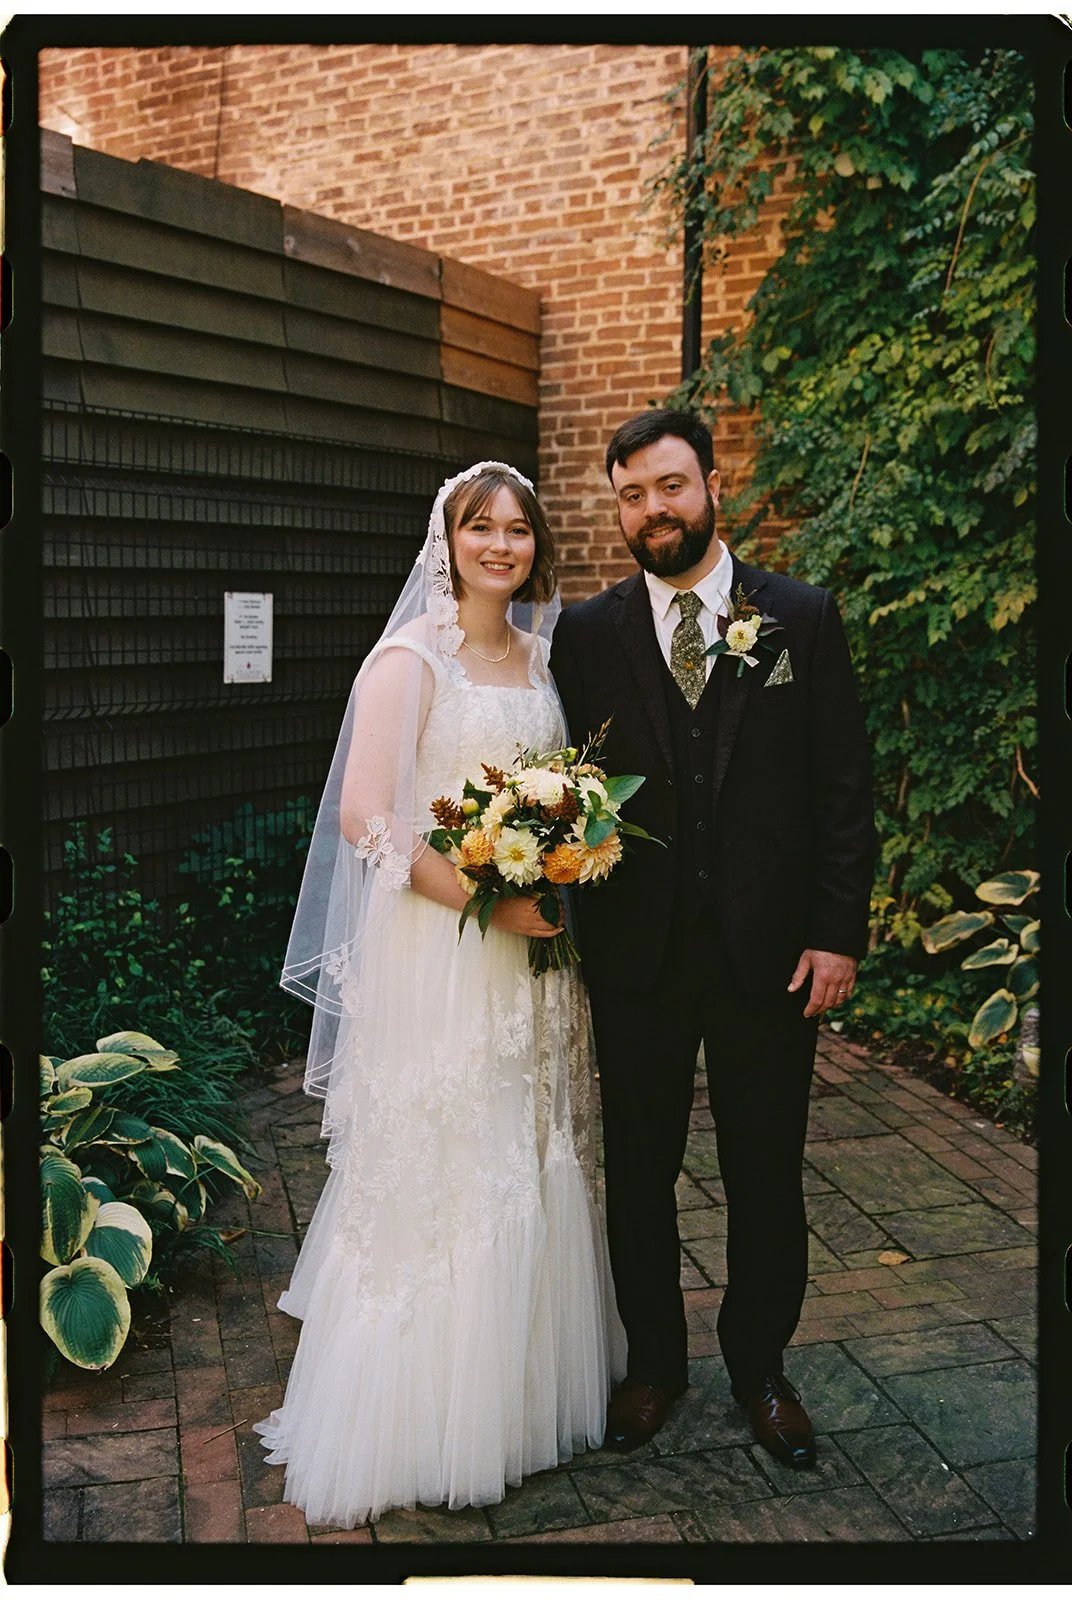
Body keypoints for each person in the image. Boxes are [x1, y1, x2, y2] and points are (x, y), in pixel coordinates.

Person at [254, 461, 624, 1528]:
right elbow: (366, 814)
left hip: (532, 955)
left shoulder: (546, 660)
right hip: (445, 947)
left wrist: (563, 862)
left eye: (518, 529)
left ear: (536, 545)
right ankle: (419, 1417)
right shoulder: (407, 660)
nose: (501, 545)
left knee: (528, 1142)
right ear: (447, 540)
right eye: (481, 528)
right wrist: (483, 895)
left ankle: (513, 1401)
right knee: (450, 1157)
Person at [549, 409, 875, 1469]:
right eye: (633, 494)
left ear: (711, 484)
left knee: (766, 1171)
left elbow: (841, 788)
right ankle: (655, 1365)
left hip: (769, 956)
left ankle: (760, 1367)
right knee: (638, 1169)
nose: (654, 510)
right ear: (618, 505)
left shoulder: (800, 616)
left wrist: (836, 934)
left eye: (671, 486)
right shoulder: (586, 634)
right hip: (635, 955)